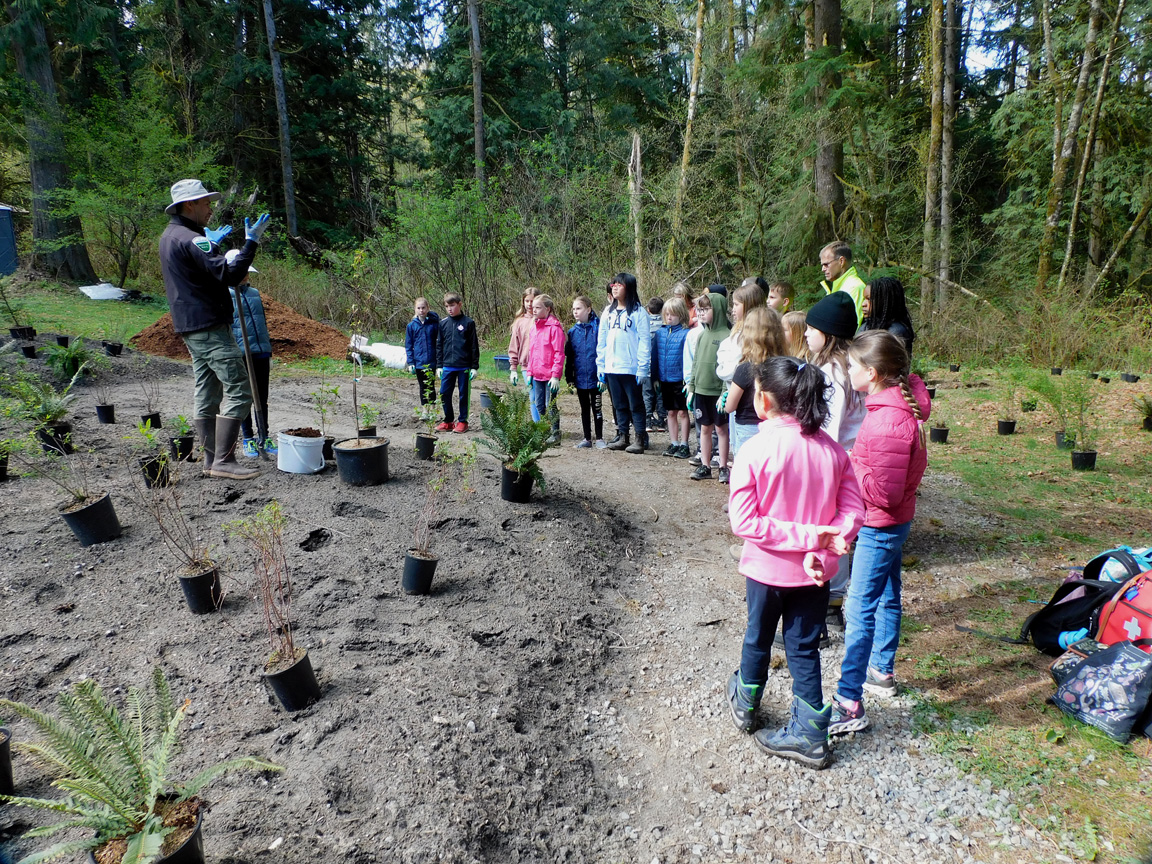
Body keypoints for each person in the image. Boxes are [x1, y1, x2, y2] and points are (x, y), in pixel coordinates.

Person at [726, 356, 865, 769]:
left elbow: (744, 522)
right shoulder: (833, 452)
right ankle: (810, 734)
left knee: (758, 636)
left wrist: (810, 539)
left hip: (766, 571)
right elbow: (853, 511)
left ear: (763, 400)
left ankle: (746, 704)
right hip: (817, 574)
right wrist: (823, 548)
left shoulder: (754, 450)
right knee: (803, 648)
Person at [829, 330, 930, 736]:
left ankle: (849, 703)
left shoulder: (888, 421)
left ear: (871, 373)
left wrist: (850, 462)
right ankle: (881, 672)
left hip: (880, 524)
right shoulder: (889, 408)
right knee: (887, 594)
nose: (847, 370)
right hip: (891, 522)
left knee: (859, 608)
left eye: (852, 365)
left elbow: (884, 493)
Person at [158, 178, 269, 481]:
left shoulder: (170, 236)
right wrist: (251, 243)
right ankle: (223, 459)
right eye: (206, 203)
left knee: (207, 390)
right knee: (240, 388)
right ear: (189, 204)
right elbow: (230, 274)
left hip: (191, 326)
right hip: (210, 325)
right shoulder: (192, 239)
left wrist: (212, 244)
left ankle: (210, 460)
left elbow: (201, 272)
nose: (210, 208)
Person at [225, 251, 275, 458]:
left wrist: (267, 347)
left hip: (261, 352)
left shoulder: (254, 293)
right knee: (245, 396)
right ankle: (248, 438)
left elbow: (261, 323)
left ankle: (265, 436)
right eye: (242, 271)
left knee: (262, 397)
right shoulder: (224, 294)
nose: (246, 275)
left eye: (247, 271)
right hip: (241, 353)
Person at [596, 272, 651, 454]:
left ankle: (640, 438)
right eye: (614, 285)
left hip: (631, 368)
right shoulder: (608, 312)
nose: (615, 288)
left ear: (629, 288)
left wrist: (643, 368)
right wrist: (601, 365)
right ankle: (622, 436)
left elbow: (644, 342)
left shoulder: (639, 313)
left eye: (619, 285)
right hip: (612, 367)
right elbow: (602, 340)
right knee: (618, 403)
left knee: (635, 404)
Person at [805, 292, 866, 450]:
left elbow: (829, 428)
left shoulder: (833, 373)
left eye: (811, 329)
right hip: (850, 452)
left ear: (829, 334)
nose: (806, 334)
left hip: (837, 454)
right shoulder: (854, 363)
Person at [724, 306, 787, 459]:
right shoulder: (786, 367)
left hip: (748, 430)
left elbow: (729, 407)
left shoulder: (745, 369)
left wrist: (725, 397)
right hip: (779, 427)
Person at [685, 291, 730, 482]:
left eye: (706, 309)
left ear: (717, 309)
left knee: (721, 429)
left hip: (718, 393)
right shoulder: (702, 335)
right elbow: (695, 363)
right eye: (699, 310)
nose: (701, 313)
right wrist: (691, 387)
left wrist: (725, 392)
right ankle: (705, 465)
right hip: (701, 391)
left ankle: (723, 466)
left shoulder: (728, 335)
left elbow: (728, 367)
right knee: (704, 428)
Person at [435, 293, 480, 433]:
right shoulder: (443, 324)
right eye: (447, 306)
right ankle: (448, 421)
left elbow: (474, 346)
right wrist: (439, 365)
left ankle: (463, 421)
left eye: (452, 305)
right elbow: (439, 345)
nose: (450, 309)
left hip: (464, 366)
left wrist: (474, 367)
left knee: (463, 394)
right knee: (444, 393)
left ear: (459, 305)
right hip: (447, 366)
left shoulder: (468, 323)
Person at [652, 296, 691, 458]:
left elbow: (688, 358)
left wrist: (688, 380)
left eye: (673, 314)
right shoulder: (660, 333)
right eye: (667, 314)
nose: (669, 317)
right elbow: (655, 356)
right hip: (665, 379)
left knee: (683, 412)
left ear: (681, 315)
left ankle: (684, 444)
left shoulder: (686, 334)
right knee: (670, 412)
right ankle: (674, 442)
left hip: (680, 379)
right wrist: (655, 377)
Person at [565, 296, 605, 449]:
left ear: (588, 310)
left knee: (597, 407)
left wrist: (603, 376)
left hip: (596, 377)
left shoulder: (598, 329)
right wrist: (569, 378)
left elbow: (603, 353)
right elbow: (570, 358)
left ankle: (599, 438)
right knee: (584, 408)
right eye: (574, 309)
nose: (575, 312)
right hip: (580, 378)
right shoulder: (572, 332)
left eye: (579, 308)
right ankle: (587, 438)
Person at [528, 294, 566, 445]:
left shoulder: (555, 328)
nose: (534, 310)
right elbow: (532, 352)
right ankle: (545, 430)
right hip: (537, 374)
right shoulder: (534, 328)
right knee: (539, 404)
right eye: (533, 307)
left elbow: (559, 353)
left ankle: (555, 433)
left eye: (538, 307)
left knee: (550, 405)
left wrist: (555, 375)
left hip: (550, 375)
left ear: (548, 309)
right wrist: (530, 372)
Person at [858, 276, 915, 356]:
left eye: (869, 299)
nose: (863, 304)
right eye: (864, 299)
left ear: (884, 301)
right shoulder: (865, 327)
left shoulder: (896, 332)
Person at [818, 241, 867, 327]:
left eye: (826, 264)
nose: (823, 269)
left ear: (841, 261)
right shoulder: (839, 286)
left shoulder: (854, 287)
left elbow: (852, 328)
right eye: (822, 265)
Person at [405, 297, 440, 406]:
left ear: (428, 308)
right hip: (419, 362)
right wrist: (411, 362)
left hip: (432, 361)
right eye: (418, 308)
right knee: (423, 386)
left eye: (423, 308)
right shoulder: (411, 326)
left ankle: (432, 408)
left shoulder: (434, 324)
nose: (421, 310)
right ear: (415, 309)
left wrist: (439, 362)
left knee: (431, 386)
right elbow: (408, 346)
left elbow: (439, 343)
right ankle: (425, 409)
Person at [508, 287, 542, 387]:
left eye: (532, 301)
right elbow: (514, 346)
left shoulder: (545, 320)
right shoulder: (519, 322)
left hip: (543, 366)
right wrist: (513, 368)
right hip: (526, 366)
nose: (529, 304)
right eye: (527, 301)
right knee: (533, 394)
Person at [644, 297, 666, 431]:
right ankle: (662, 420)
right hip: (661, 366)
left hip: (646, 365)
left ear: (648, 309)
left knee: (647, 393)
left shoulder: (644, 324)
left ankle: (648, 421)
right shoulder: (665, 325)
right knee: (660, 392)